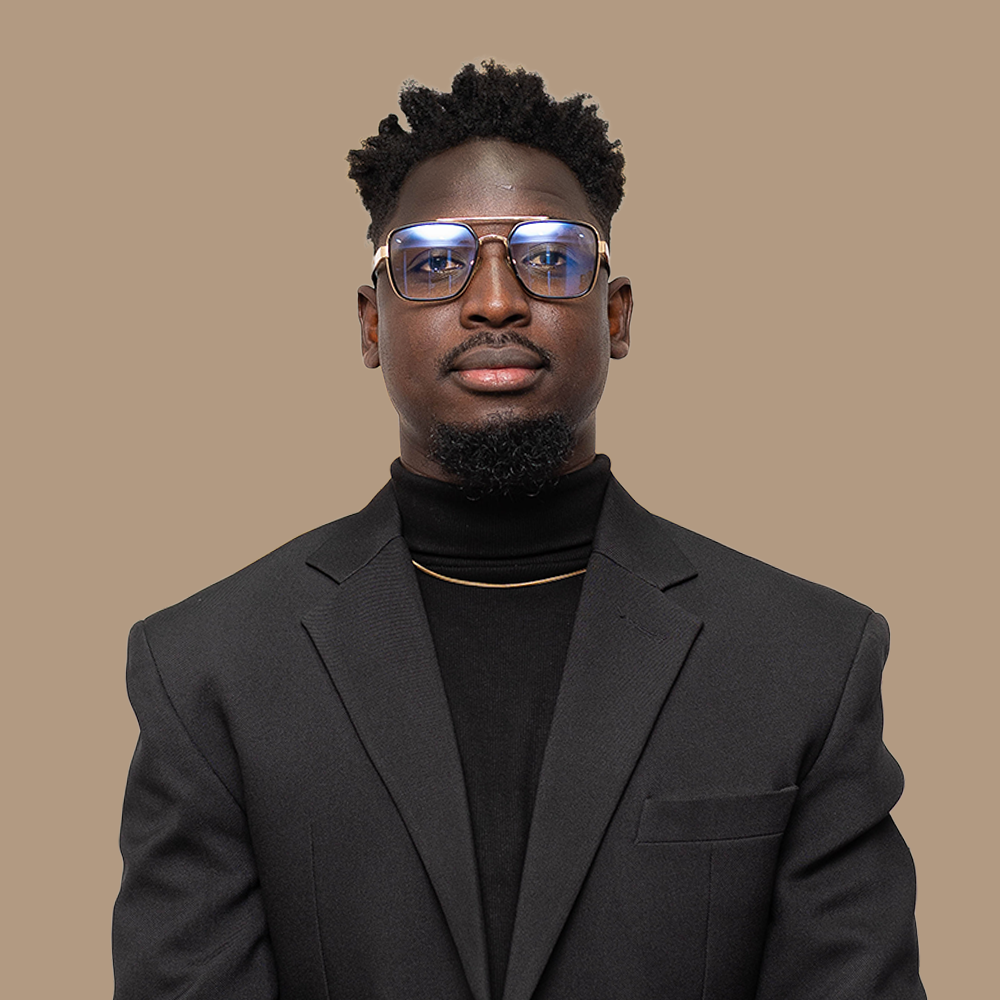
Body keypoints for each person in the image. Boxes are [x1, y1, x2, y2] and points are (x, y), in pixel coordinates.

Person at [112, 62, 925, 999]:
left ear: (616, 315)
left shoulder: (807, 662)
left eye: (548, 258)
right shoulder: (207, 671)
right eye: (433, 263)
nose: (495, 299)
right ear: (372, 324)